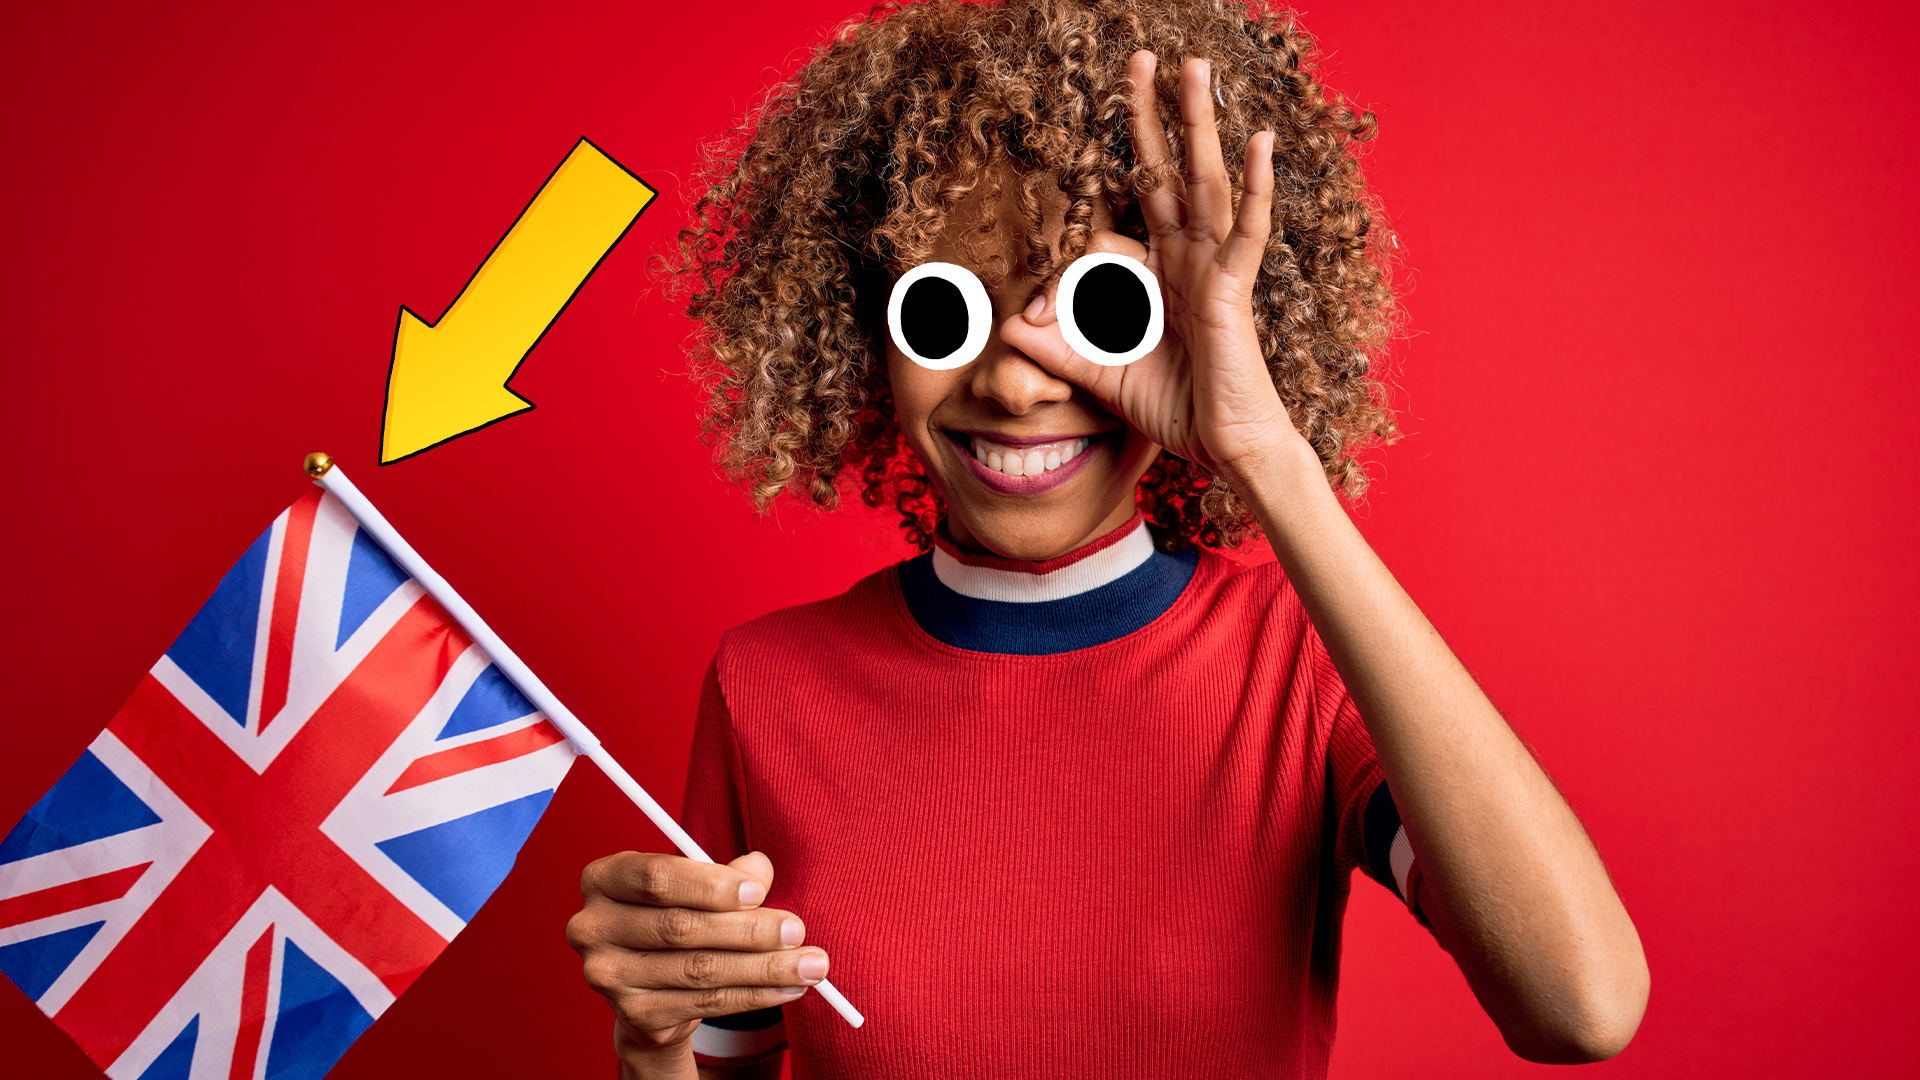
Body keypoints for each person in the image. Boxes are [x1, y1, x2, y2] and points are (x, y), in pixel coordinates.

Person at [566, 1, 1649, 1076]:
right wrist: (655, 1052)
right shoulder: (766, 686)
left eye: (1098, 310)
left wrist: (1266, 453)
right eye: (943, 312)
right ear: (861, 330)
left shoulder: (1301, 662)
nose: (1012, 382)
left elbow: (1578, 1007)